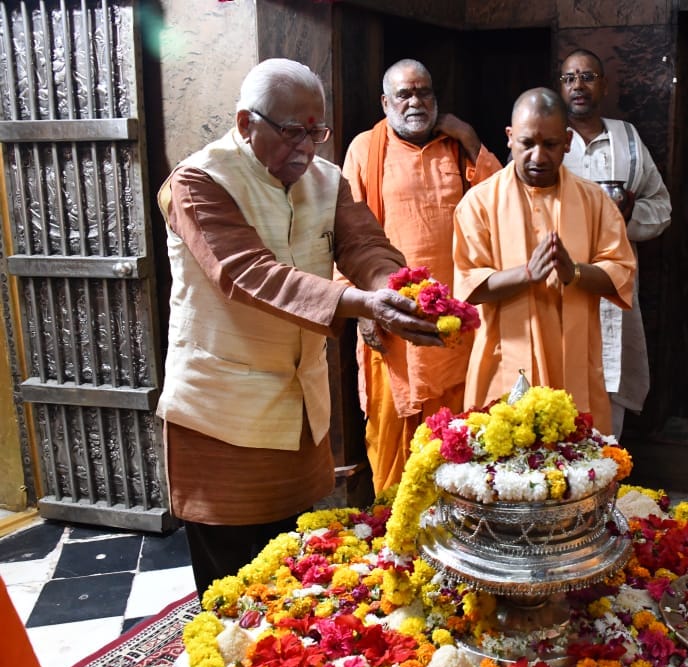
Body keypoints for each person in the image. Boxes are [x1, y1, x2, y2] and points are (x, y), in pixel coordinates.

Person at [156, 58, 441, 597]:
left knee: (294, 576)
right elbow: (247, 274)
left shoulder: (326, 180)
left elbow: (365, 246)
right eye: (292, 132)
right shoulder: (197, 182)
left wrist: (392, 286)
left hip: (300, 410)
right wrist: (362, 304)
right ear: (246, 123)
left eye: (318, 131)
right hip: (222, 414)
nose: (307, 147)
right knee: (233, 589)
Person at [342, 59, 502, 495]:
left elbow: (501, 206)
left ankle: (454, 526)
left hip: (456, 321)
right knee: (391, 428)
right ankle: (395, 530)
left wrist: (470, 140)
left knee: (456, 431)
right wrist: (362, 310)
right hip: (390, 315)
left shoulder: (455, 147)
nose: (416, 102)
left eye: (424, 92)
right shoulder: (364, 150)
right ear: (385, 102)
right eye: (404, 95)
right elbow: (343, 234)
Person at [452, 88, 637, 435]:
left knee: (575, 471)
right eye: (527, 143)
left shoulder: (595, 201)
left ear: (567, 141)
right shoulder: (478, 203)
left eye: (550, 144)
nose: (538, 156)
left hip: (574, 364)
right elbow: (468, 285)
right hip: (503, 360)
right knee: (504, 472)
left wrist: (576, 272)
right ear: (509, 138)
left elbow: (621, 272)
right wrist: (526, 274)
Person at [558, 48, 671, 438]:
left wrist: (626, 220)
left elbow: (662, 206)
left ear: (603, 85)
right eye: (570, 78)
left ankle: (606, 471)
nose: (579, 85)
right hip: (559, 280)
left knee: (610, 374)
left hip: (612, 279)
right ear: (561, 87)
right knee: (558, 376)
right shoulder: (546, 137)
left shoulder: (626, 137)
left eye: (588, 76)